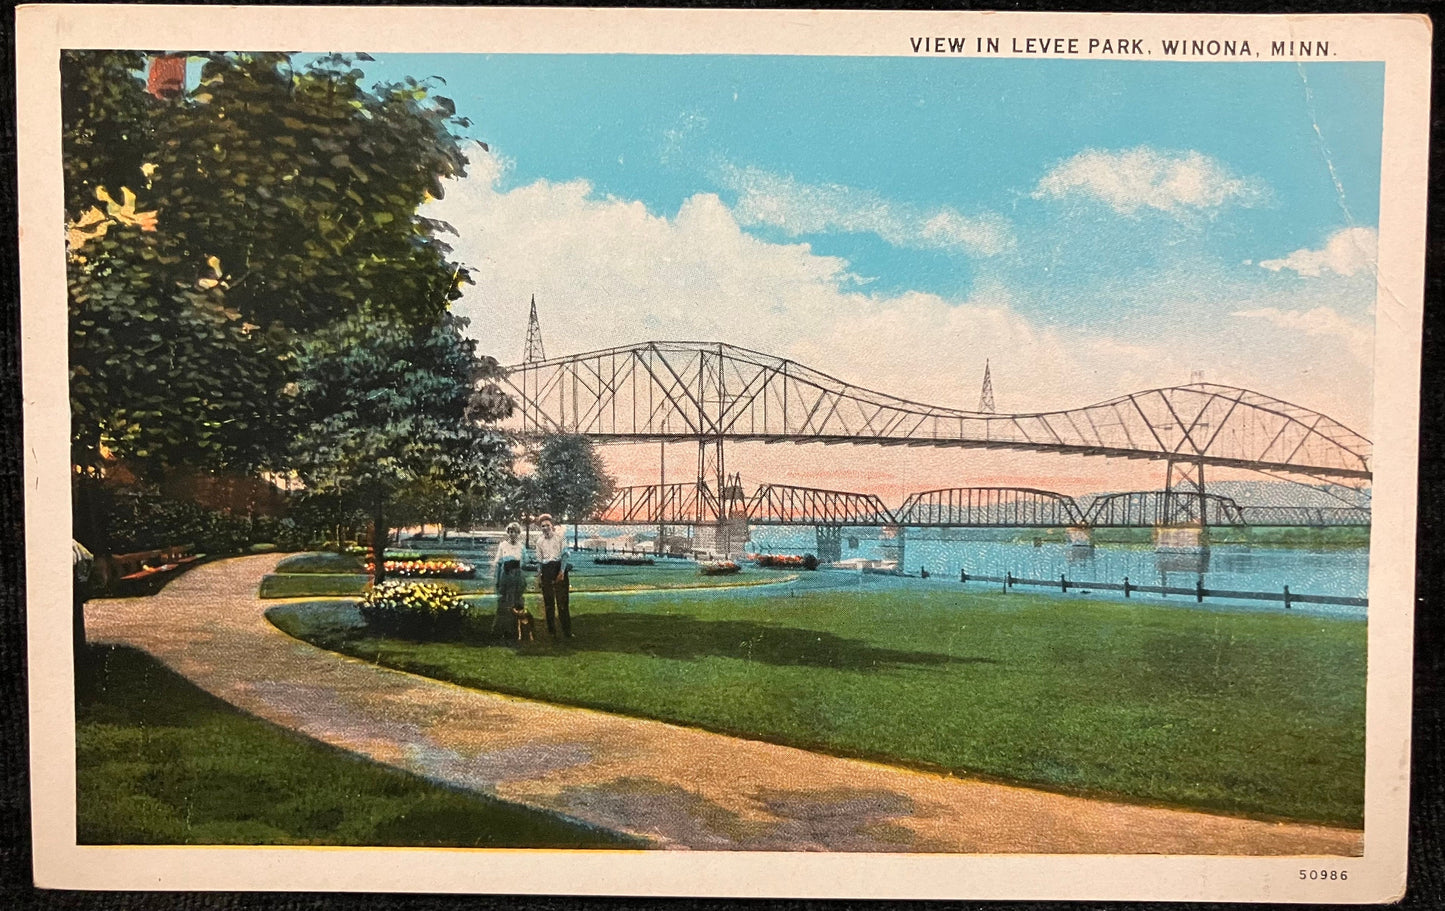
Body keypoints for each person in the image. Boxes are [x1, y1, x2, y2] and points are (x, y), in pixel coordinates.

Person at [534, 513, 572, 639]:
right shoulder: (539, 541)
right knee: (549, 603)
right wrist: (539, 575)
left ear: (552, 525)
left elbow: (565, 555)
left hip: (558, 568)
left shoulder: (560, 537)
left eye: (547, 525)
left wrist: (561, 572)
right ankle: (552, 632)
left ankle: (567, 631)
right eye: (542, 526)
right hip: (546, 570)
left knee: (562, 602)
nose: (545, 528)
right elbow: (539, 561)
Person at [491, 522, 526, 640]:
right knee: (504, 603)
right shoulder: (503, 545)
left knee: (516, 603)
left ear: (518, 533)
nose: (512, 534)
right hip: (505, 575)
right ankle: (500, 630)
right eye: (510, 532)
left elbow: (524, 562)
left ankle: (515, 631)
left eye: (515, 532)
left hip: (516, 576)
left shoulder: (521, 546)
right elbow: (498, 561)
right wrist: (498, 578)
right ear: (508, 533)